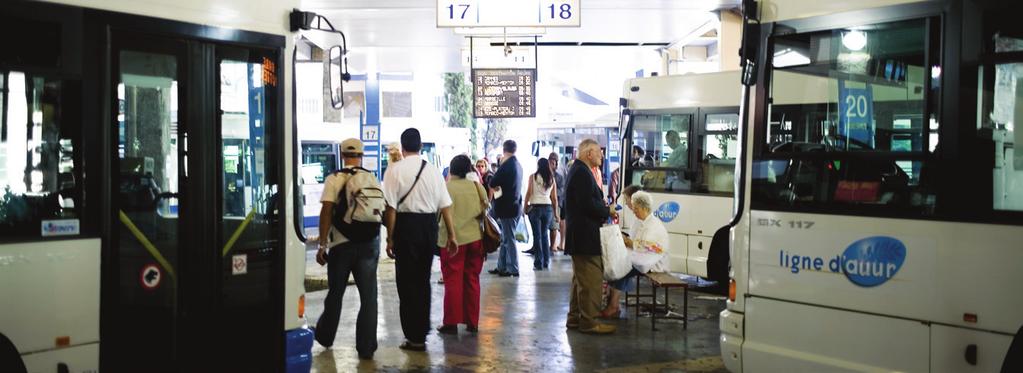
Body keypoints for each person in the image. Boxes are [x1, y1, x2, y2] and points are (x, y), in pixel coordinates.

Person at [383, 128, 457, 352]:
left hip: (406, 227)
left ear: (403, 147)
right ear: (421, 146)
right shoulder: (434, 171)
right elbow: (446, 205)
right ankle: (421, 332)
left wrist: (390, 238)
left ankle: (412, 335)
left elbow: (391, 208)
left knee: (406, 282)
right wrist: (452, 235)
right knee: (423, 280)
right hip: (428, 228)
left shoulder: (394, 171)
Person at [314, 138, 380, 359]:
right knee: (369, 297)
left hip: (341, 245)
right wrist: (390, 240)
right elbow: (385, 209)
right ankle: (367, 347)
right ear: (361, 155)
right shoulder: (371, 178)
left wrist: (322, 244)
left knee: (336, 293)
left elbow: (326, 212)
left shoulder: (335, 178)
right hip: (370, 244)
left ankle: (325, 336)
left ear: (342, 155)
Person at [564, 138, 618, 334]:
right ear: (588, 154)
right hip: (585, 236)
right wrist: (607, 210)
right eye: (598, 151)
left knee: (580, 280)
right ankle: (589, 322)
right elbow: (588, 204)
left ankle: (575, 318)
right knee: (591, 281)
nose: (602, 155)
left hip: (580, 235)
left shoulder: (579, 171)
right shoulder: (582, 173)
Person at [436, 155, 488, 335]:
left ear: (452, 169)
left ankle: (451, 322)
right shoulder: (476, 186)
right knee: (472, 279)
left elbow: (438, 211)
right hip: (475, 239)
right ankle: (472, 322)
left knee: (452, 280)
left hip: (453, 241)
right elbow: (485, 208)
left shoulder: (447, 187)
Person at [601, 191, 669, 318]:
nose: (634, 211)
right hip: (643, 259)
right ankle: (610, 302)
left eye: (636, 209)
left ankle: (613, 306)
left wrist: (629, 242)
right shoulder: (642, 222)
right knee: (614, 265)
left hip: (654, 262)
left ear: (644, 208)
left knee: (621, 271)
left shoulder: (654, 225)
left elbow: (652, 247)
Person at [487, 140, 523, 277]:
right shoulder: (518, 165)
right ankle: (501, 266)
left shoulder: (506, 165)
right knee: (505, 239)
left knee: (509, 238)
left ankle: (513, 268)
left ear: (504, 149)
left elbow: (493, 182)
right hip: (514, 206)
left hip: (507, 208)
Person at [525, 158, 558, 270]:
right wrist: (556, 214)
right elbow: (554, 198)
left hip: (535, 208)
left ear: (538, 165)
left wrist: (525, 207)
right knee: (544, 235)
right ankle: (546, 261)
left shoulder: (533, 177)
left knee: (537, 236)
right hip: (548, 208)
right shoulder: (551, 178)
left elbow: (529, 193)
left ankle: (538, 262)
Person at [548, 152, 566, 253]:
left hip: (556, 203)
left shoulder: (559, 177)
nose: (551, 165)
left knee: (554, 226)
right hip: (546, 204)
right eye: (550, 163)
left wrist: (552, 193)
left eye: (553, 163)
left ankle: (553, 245)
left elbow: (561, 190)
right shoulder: (544, 174)